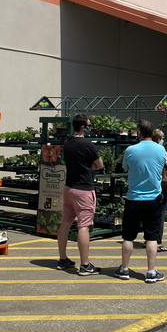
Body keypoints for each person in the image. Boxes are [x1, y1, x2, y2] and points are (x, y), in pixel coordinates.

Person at [115, 120, 167, 283]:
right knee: (152, 237)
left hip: (134, 198)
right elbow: (166, 165)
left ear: (138, 132)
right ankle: (151, 272)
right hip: (153, 199)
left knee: (128, 237)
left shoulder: (130, 150)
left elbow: (125, 167)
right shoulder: (160, 149)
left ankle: (124, 269)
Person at [58, 113, 103, 275]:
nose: (89, 129)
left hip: (69, 187)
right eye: (89, 126)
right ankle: (85, 265)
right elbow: (100, 165)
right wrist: (89, 167)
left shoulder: (67, 143)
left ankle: (63, 259)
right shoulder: (87, 145)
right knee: (83, 225)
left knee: (65, 223)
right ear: (83, 127)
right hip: (83, 190)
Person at [150, 128, 167, 252]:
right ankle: (158, 242)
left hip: (148, 184)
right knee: (160, 213)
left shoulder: (145, 149)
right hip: (161, 185)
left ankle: (148, 240)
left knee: (149, 213)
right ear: (159, 139)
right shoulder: (161, 150)